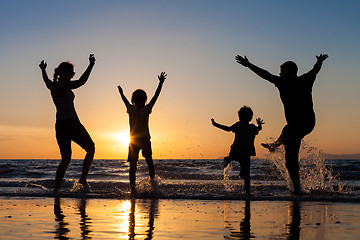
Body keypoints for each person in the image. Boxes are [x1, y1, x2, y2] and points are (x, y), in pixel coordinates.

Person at [235, 54, 328, 194]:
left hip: (298, 126)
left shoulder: (282, 82)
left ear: (286, 72)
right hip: (309, 123)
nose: (279, 73)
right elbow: (316, 69)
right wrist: (319, 61)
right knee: (287, 129)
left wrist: (249, 65)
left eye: (281, 71)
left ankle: (297, 190)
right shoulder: (306, 79)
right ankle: (276, 145)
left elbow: (265, 74)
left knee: (290, 160)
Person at [39, 54, 96, 192]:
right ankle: (83, 178)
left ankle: (56, 189)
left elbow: (46, 81)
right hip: (72, 123)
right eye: (72, 72)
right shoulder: (65, 85)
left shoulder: (53, 86)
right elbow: (82, 81)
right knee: (90, 148)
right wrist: (91, 65)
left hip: (60, 125)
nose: (73, 75)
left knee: (65, 159)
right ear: (65, 73)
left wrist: (43, 70)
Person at [117, 72, 167, 194]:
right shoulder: (146, 109)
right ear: (145, 99)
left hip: (133, 141)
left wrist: (121, 93)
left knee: (133, 166)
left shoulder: (131, 109)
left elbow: (124, 100)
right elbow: (156, 96)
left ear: (133, 100)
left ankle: (133, 189)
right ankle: (154, 186)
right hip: (144, 139)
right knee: (149, 162)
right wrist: (160, 83)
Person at [211, 106, 264, 194]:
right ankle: (247, 192)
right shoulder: (252, 127)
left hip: (238, 151)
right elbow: (259, 129)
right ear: (251, 117)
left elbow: (227, 129)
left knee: (245, 174)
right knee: (246, 175)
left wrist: (216, 124)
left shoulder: (239, 125)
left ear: (239, 117)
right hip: (244, 153)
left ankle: (227, 159)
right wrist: (259, 124)